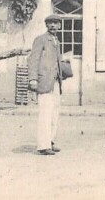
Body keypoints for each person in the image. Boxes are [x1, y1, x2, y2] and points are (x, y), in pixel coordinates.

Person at [28, 14, 66, 155]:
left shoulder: (56, 41)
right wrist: (33, 79)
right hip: (44, 81)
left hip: (55, 82)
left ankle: (50, 140)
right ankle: (43, 145)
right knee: (45, 113)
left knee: (54, 113)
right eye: (50, 23)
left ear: (60, 26)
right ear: (46, 25)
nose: (53, 25)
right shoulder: (40, 39)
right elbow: (33, 60)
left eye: (56, 23)